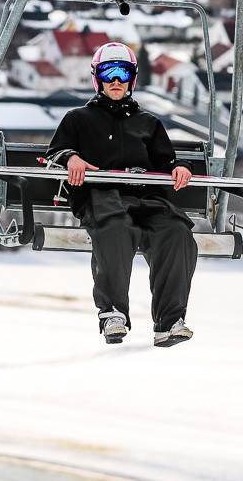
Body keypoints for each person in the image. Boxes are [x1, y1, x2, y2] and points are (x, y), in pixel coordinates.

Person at [45, 42, 198, 347]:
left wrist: (180, 167)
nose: (116, 80)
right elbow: (56, 152)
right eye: (108, 73)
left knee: (177, 231)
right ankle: (113, 312)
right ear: (97, 78)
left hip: (146, 198)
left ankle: (169, 322)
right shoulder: (78, 119)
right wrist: (71, 158)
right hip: (101, 196)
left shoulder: (148, 123)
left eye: (123, 73)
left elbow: (166, 160)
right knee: (115, 227)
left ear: (132, 79)